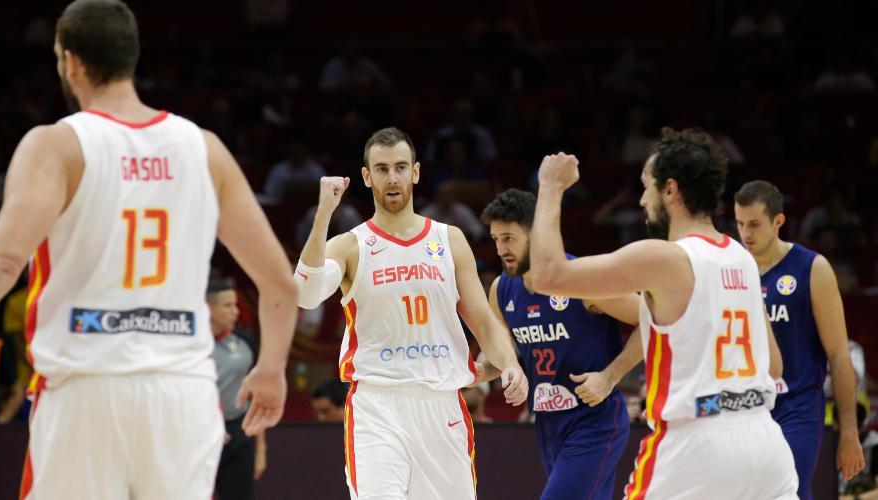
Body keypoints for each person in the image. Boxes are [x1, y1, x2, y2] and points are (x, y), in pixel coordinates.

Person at [0, 2, 298, 500]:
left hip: (86, 384)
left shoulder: (58, 146)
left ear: (71, 61)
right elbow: (279, 282)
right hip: (183, 393)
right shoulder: (205, 148)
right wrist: (271, 368)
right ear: (131, 57)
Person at [528, 128, 796, 499]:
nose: (642, 200)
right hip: (766, 444)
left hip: (697, 447)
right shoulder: (742, 258)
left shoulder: (666, 258)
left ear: (670, 189)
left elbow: (546, 276)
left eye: (646, 187)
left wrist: (550, 187)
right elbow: (774, 367)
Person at [295, 127, 527, 500]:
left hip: (442, 403)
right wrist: (324, 214)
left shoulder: (449, 239)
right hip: (377, 405)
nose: (392, 178)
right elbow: (305, 295)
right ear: (367, 176)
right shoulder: (350, 245)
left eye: (400, 167)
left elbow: (484, 321)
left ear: (415, 172)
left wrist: (510, 364)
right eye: (382, 169)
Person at [480, 188, 642, 500]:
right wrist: (477, 372)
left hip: (594, 420)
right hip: (547, 422)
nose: (500, 249)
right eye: (496, 239)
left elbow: (653, 320)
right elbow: (498, 357)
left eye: (509, 238)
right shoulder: (501, 289)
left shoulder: (582, 279)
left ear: (536, 233)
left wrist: (610, 377)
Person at [734, 180, 865, 496]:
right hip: (743, 406)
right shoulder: (731, 268)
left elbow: (839, 354)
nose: (746, 233)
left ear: (778, 221)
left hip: (796, 406)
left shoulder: (812, 268)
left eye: (754, 224)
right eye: (740, 223)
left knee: (787, 490)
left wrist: (849, 433)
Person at [207, 280, 267, 500]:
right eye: (228, 305)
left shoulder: (244, 343)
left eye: (235, 304)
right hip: (199, 430)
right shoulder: (189, 345)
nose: (236, 311)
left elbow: (257, 395)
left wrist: (261, 449)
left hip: (238, 430)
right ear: (208, 308)